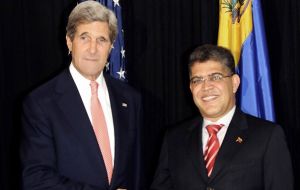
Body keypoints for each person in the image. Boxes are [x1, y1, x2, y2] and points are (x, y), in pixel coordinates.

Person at [20, 1, 143, 189]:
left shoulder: (130, 99)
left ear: (111, 46)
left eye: (101, 40)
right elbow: (37, 179)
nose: (93, 49)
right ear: (70, 41)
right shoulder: (40, 103)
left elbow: (135, 171)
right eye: (84, 38)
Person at [150, 44, 294, 190]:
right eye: (197, 80)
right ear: (191, 88)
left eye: (215, 77)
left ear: (234, 83)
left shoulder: (267, 136)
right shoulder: (174, 139)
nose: (206, 87)